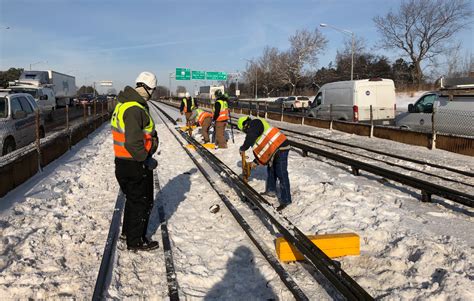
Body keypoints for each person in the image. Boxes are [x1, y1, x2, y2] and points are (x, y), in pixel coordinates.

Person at [111, 71, 160, 251]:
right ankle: (136, 241)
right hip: (135, 163)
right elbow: (132, 142)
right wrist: (146, 159)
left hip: (123, 161)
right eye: (152, 90)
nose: (152, 93)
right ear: (146, 88)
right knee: (143, 202)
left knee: (133, 200)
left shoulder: (123, 105)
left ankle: (128, 233)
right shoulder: (134, 109)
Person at [237, 116, 292, 211]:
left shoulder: (255, 123)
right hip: (274, 150)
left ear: (245, 125)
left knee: (281, 173)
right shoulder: (255, 132)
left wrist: (243, 148)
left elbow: (250, 137)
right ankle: (271, 191)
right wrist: (255, 162)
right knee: (271, 170)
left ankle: (286, 200)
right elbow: (264, 150)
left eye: (245, 131)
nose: (246, 133)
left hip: (281, 147)